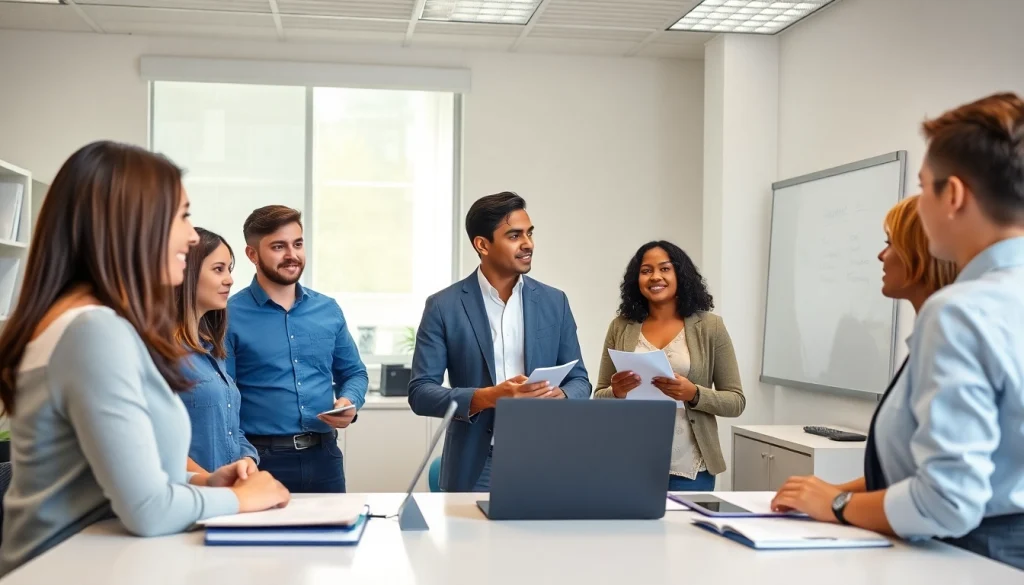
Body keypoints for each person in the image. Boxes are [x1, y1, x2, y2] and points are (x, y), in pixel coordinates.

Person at [0, 141, 289, 576]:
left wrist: (203, 481)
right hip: (67, 570)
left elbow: (105, 475)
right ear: (133, 222)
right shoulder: (92, 330)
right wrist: (238, 499)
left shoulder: (89, 323)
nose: (192, 236)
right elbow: (148, 510)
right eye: (182, 216)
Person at [771, 92, 1024, 570]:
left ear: (953, 196)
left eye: (924, 188)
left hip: (970, 558)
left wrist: (837, 504)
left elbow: (946, 501)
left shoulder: (961, 312)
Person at [408, 192, 591, 492]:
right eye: (514, 236)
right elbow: (420, 393)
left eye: (529, 233)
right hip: (475, 465)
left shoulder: (555, 302)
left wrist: (562, 395)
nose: (528, 244)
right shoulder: (443, 306)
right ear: (482, 245)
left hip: (547, 459)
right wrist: (489, 396)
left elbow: (580, 381)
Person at [226, 205, 368, 494]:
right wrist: (242, 455)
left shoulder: (328, 309)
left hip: (325, 458)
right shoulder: (228, 316)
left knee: (335, 526)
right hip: (260, 461)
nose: (292, 254)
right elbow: (224, 399)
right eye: (278, 246)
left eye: (298, 244)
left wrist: (349, 402)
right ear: (252, 254)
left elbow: (354, 373)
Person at [593, 241, 744, 491]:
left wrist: (694, 394)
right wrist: (617, 392)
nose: (655, 277)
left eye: (664, 269)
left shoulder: (710, 327)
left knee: (689, 519)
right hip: (629, 462)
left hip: (692, 467)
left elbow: (736, 401)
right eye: (646, 271)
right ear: (636, 280)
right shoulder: (620, 326)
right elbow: (598, 397)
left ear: (680, 275)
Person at [174, 227, 259, 477]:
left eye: (229, 269)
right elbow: (156, 442)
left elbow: (230, 428)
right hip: (193, 494)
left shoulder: (213, 350)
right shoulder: (161, 352)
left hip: (225, 494)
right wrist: (210, 483)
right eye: (218, 269)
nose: (230, 279)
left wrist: (247, 459)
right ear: (187, 273)